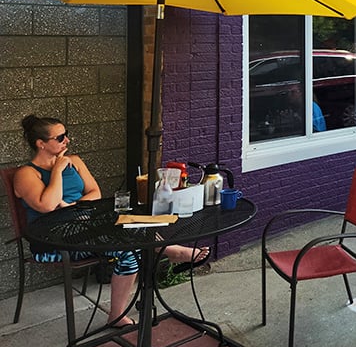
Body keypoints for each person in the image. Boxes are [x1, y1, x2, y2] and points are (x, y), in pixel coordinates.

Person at [14, 114, 211, 327]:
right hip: (53, 242)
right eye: (60, 137)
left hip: (86, 227)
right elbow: (47, 205)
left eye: (67, 135)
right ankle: (167, 255)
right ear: (41, 144)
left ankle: (166, 253)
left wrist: (70, 206)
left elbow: (94, 193)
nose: (67, 141)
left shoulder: (76, 161)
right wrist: (58, 171)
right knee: (129, 250)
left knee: (128, 223)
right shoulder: (26, 174)